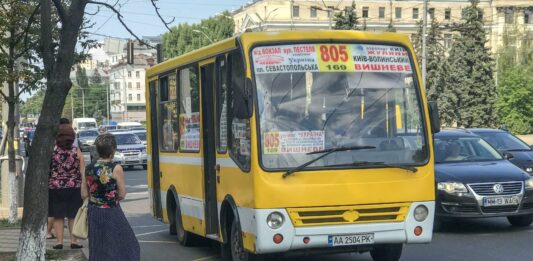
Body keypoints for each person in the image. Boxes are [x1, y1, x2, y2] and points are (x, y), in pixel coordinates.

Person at [81, 134, 140, 261]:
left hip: (94, 212)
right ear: (113, 150)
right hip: (112, 210)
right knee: (128, 244)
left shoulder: (88, 168)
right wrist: (112, 197)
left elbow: (84, 194)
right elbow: (122, 193)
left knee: (98, 247)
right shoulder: (115, 168)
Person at [48, 124, 84, 249]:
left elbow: (47, 169)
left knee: (58, 215)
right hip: (74, 186)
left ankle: (59, 242)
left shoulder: (52, 151)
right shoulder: (76, 151)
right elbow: (82, 171)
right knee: (72, 215)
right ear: (71, 137)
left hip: (55, 187)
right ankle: (74, 241)